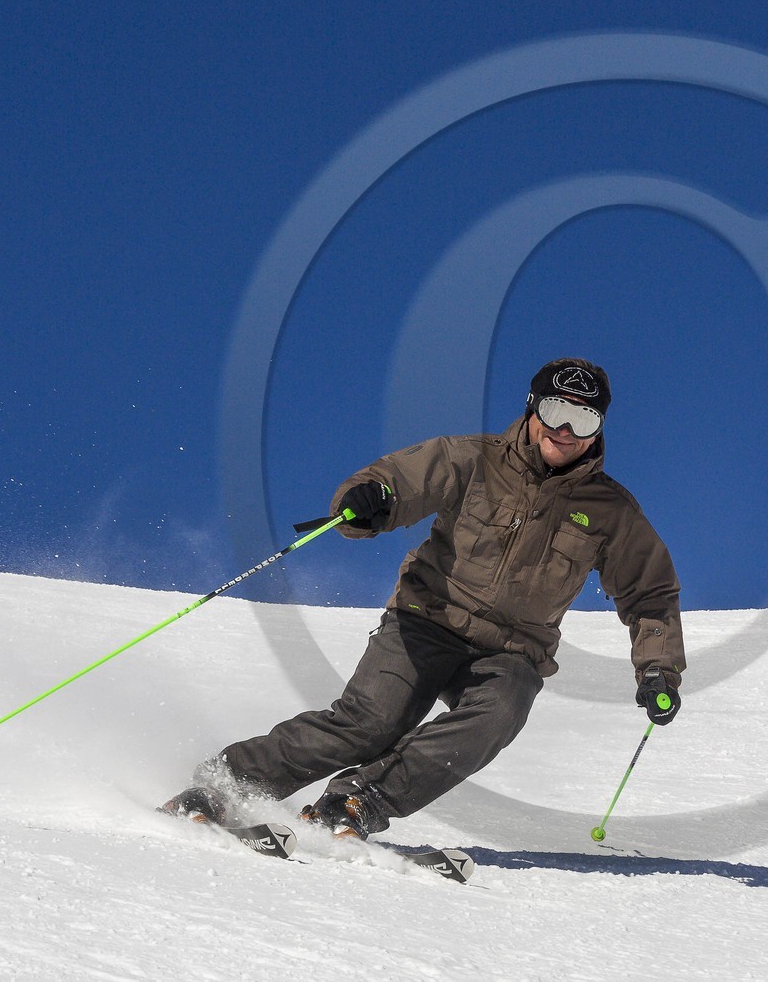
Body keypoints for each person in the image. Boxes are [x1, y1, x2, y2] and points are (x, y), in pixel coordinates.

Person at [160, 358, 685, 838]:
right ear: (531, 408)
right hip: (425, 621)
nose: (565, 431)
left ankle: (354, 805)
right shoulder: (471, 459)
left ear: (599, 430)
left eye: (584, 421)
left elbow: (650, 592)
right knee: (370, 723)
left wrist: (657, 668)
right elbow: (396, 480)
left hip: (510, 651)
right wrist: (370, 502)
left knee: (503, 708)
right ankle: (224, 785)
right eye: (556, 411)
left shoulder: (610, 510)